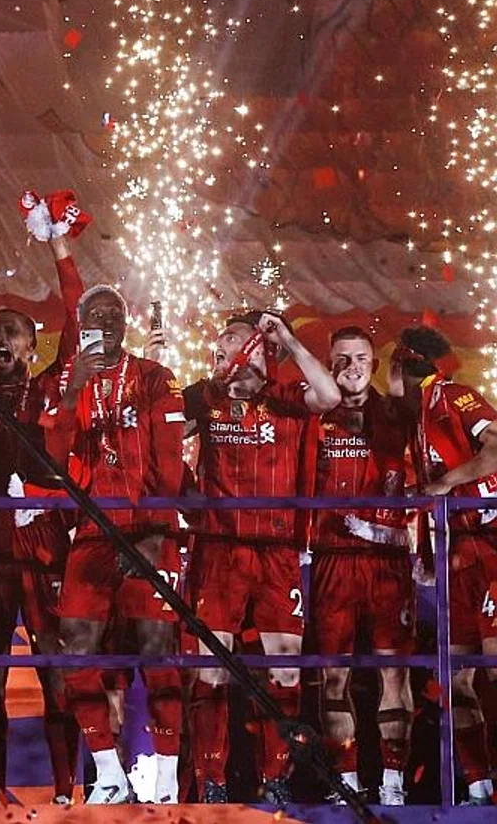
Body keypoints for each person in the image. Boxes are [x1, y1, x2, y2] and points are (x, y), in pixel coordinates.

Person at [185, 310, 340, 804]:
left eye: (231, 337)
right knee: (211, 668)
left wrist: (287, 339)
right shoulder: (207, 396)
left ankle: (275, 778)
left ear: (255, 347)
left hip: (276, 552)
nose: (219, 344)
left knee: (285, 671)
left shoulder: (286, 398)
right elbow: (164, 432)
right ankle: (211, 780)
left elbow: (330, 396)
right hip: (220, 549)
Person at [42, 284, 185, 805]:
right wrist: (73, 390)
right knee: (74, 643)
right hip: (93, 530)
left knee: (156, 646)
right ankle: (108, 773)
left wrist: (156, 533)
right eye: (94, 314)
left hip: (148, 527)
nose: (104, 321)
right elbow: (54, 459)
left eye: (113, 313)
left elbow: (171, 463)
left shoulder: (155, 378)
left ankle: (166, 778)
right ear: (81, 325)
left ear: (125, 323)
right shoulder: (68, 380)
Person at [0, 233, 84, 805]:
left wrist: (59, 249)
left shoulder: (51, 389)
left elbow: (78, 322)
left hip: (44, 545)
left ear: (33, 345)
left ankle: (65, 788)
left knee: (57, 668)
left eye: (13, 332)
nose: (1, 338)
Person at [312, 327, 417, 806]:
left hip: (387, 561)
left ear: (372, 365)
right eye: (341, 358)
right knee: (333, 676)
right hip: (332, 559)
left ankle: (393, 784)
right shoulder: (315, 414)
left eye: (359, 358)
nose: (350, 367)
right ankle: (347, 783)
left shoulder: (398, 413)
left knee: (395, 674)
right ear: (328, 363)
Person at [403, 325, 497, 805]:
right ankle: (480, 785)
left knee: (494, 668)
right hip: (454, 550)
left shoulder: (456, 395)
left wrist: (447, 483)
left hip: (490, 543)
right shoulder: (416, 414)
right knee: (456, 675)